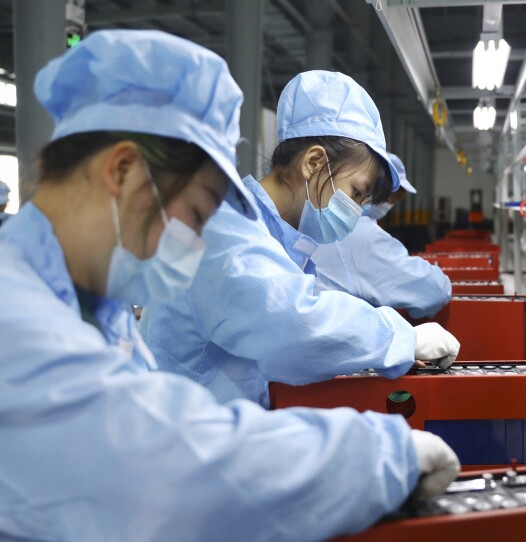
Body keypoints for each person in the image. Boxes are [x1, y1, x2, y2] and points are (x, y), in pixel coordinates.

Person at [0, 30, 458, 541]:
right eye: (195, 213)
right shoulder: (18, 317)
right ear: (123, 170)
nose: (195, 240)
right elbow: (164, 465)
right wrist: (373, 458)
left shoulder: (80, 302)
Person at [140, 71, 460, 407]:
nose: (356, 213)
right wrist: (399, 338)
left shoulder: (276, 236)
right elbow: (289, 324)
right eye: (356, 192)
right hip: (184, 443)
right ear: (313, 162)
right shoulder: (222, 227)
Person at [312, 152, 452, 318]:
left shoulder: (320, 220)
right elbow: (433, 290)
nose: (390, 204)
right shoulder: (360, 234)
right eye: (390, 196)